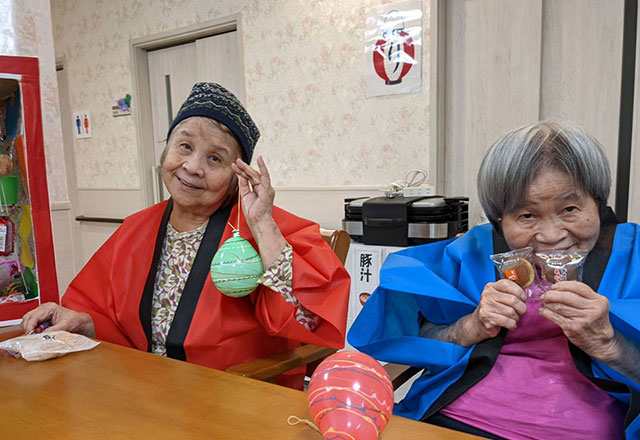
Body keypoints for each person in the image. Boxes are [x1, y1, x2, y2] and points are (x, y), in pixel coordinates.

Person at [22, 82, 350, 388]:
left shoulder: (268, 229)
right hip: (143, 388)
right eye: (184, 146)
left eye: (215, 158)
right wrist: (80, 320)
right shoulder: (136, 228)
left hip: (235, 396)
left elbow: (309, 320)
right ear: (166, 152)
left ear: (237, 176)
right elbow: (105, 313)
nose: (193, 166)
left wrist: (263, 225)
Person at [348, 120, 640, 439]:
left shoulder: (631, 257)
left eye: (569, 208)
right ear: (499, 220)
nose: (551, 235)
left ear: (598, 203)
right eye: (527, 216)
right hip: (451, 422)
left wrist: (609, 343)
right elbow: (417, 337)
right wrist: (472, 325)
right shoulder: (473, 252)